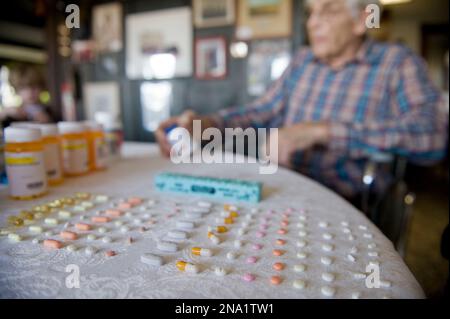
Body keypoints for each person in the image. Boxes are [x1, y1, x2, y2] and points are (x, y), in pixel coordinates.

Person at [156, 0, 448, 202]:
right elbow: (262, 110)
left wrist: (321, 131)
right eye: (310, 12)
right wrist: (207, 123)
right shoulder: (302, 61)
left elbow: (433, 138)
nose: (313, 23)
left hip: (350, 201)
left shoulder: (397, 63)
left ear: (361, 20)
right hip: (282, 186)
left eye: (328, 10)